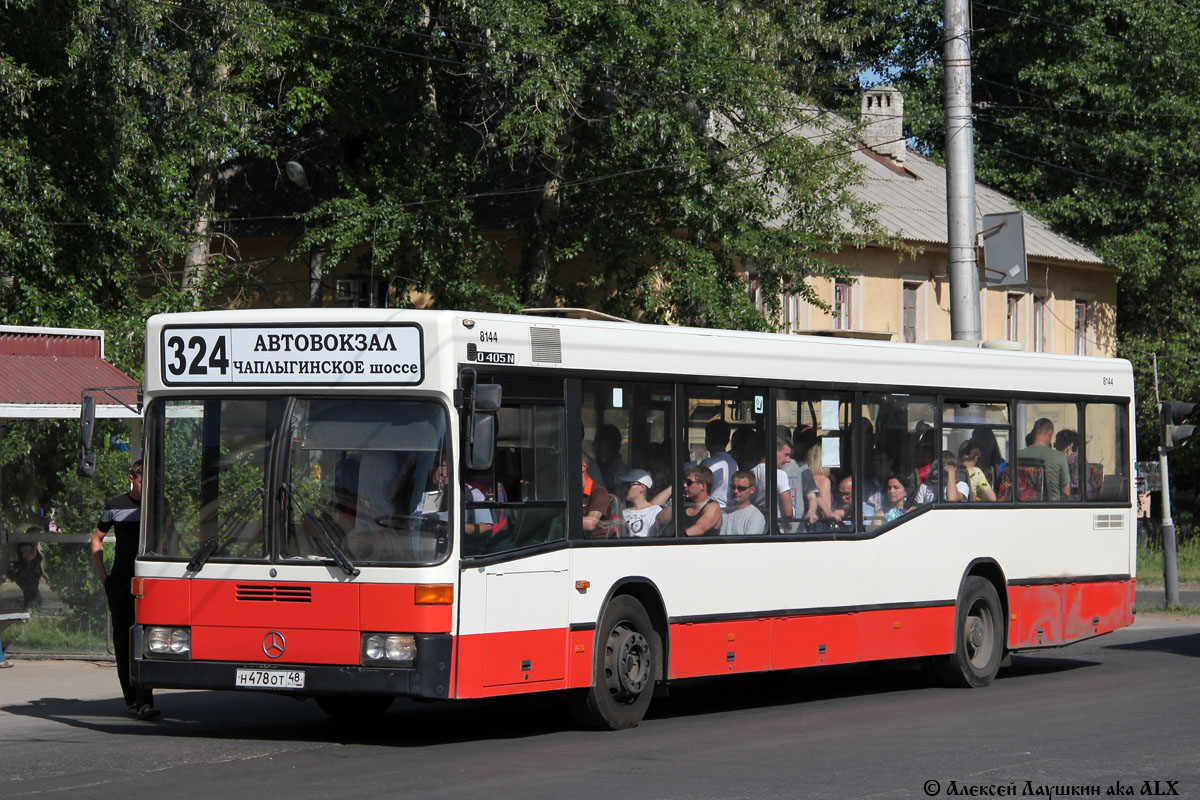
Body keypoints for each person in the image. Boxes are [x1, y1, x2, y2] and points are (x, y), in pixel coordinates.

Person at [91, 459, 159, 720]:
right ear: (132, 478)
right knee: (123, 640)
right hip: (120, 582)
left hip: (150, 582)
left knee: (146, 639)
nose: (146, 486)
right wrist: (103, 576)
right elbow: (97, 538)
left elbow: (168, 536)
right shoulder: (115, 506)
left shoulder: (156, 506)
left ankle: (145, 701)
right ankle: (132, 700)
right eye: (143, 481)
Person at [656, 465, 722, 537]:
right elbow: (659, 522)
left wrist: (676, 540)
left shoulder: (713, 507)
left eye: (689, 482)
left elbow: (701, 528)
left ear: (703, 486)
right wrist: (677, 501)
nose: (684, 485)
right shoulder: (682, 503)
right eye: (684, 482)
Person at [1017, 418, 1071, 500]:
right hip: (1051, 507)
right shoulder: (1060, 457)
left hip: (1022, 506)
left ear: (1034, 433)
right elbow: (1066, 491)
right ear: (1050, 434)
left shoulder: (1017, 455)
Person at [752, 435, 794, 523]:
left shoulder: (751, 472)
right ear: (774, 452)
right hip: (777, 527)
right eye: (786, 455)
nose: (788, 460)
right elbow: (788, 512)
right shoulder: (779, 474)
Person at [700, 419, 737, 507]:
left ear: (706, 440)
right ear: (728, 441)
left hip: (711, 511)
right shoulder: (734, 463)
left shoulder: (707, 464)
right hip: (731, 510)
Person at [618, 469, 663, 538]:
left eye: (628, 485)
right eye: (623, 485)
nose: (625, 488)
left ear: (642, 488)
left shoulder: (655, 511)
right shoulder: (622, 512)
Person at [722, 470, 766, 535]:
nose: (735, 491)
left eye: (741, 488)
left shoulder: (755, 516)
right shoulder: (723, 512)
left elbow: (749, 543)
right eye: (733, 487)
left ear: (752, 489)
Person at [8, 535, 44, 610]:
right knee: (32, 595)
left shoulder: (31, 545)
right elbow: (28, 558)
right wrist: (35, 545)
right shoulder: (26, 544)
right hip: (26, 576)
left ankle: (30, 611)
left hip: (32, 577)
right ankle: (29, 611)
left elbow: (36, 563)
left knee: (33, 596)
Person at [581, 453, 612, 537]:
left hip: (594, 545)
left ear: (583, 467)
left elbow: (590, 523)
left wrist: (562, 521)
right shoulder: (572, 493)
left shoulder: (599, 492)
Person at [592, 424, 628, 493]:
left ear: (609, 443)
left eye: (598, 441)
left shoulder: (618, 469)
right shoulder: (603, 465)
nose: (595, 445)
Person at [1054, 428, 1081, 499]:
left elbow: (1076, 484)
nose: (1055, 445)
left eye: (1059, 442)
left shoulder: (1077, 460)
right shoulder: (1056, 458)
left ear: (1070, 445)